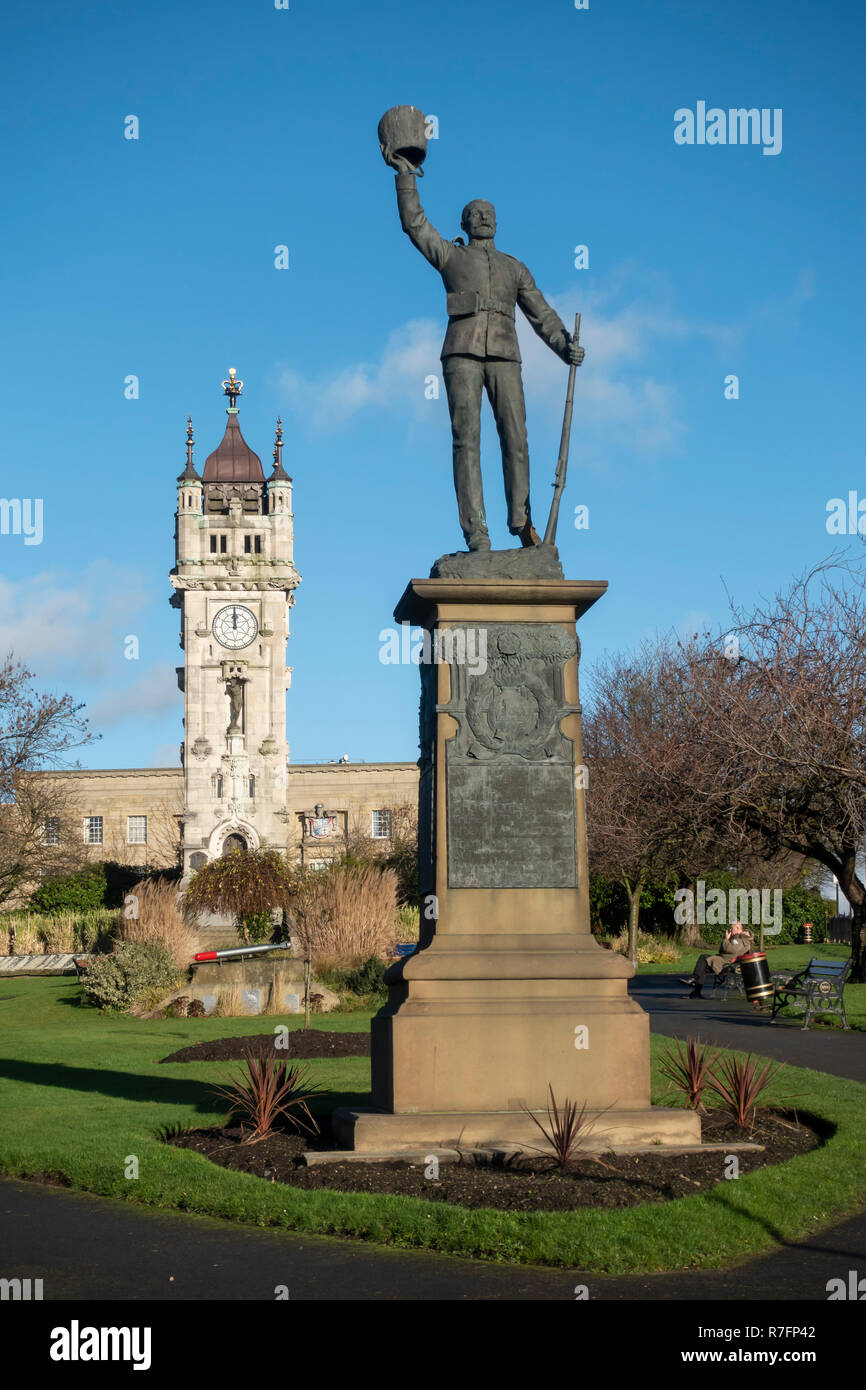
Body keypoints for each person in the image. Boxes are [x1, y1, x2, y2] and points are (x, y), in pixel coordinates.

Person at [385, 157, 584, 551]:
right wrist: (405, 175)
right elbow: (415, 225)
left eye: (489, 214)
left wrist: (564, 346)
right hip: (461, 352)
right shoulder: (451, 256)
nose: (483, 218)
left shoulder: (514, 267)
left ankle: (521, 521)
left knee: (516, 438)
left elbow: (540, 312)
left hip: (506, 356)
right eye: (475, 214)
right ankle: (476, 531)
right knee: (467, 441)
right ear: (464, 225)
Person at [682, 921, 755, 998]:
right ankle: (696, 988)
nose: (730, 930)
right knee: (703, 964)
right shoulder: (738, 938)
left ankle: (694, 981)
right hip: (726, 961)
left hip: (726, 964)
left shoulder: (741, 939)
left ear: (737, 928)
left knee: (703, 959)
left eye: (732, 928)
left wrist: (726, 939)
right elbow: (722, 950)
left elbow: (730, 949)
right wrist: (727, 940)